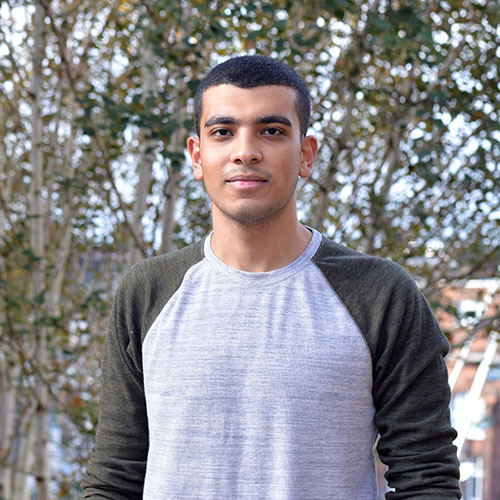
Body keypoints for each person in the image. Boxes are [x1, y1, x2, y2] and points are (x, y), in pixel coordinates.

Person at [82, 55, 461, 499]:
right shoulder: (147, 292)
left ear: (306, 155)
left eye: (272, 131)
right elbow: (115, 478)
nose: (245, 151)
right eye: (223, 132)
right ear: (197, 156)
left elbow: (427, 478)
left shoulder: (380, 294)